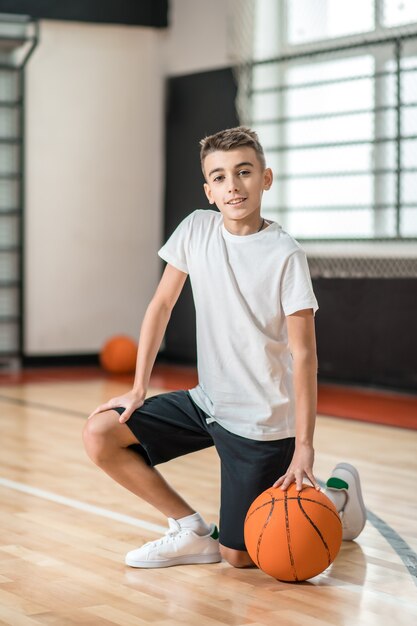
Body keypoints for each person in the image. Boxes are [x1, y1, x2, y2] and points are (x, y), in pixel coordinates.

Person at [83, 126, 366, 569]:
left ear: (266, 179)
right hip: (207, 401)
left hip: (262, 421)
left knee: (240, 557)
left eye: (244, 171)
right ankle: (192, 530)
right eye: (219, 177)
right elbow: (161, 305)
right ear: (208, 191)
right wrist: (138, 389)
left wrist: (305, 446)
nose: (232, 185)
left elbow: (304, 356)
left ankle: (336, 497)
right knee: (101, 433)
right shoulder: (196, 229)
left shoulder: (285, 255)